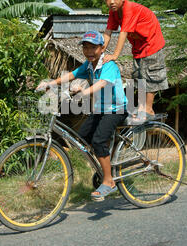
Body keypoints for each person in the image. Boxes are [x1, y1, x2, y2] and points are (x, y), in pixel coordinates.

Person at [36, 31, 128, 201]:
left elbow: (102, 83)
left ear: (102, 48)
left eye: (93, 47)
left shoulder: (108, 64)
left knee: (99, 140)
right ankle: (104, 168)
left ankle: (109, 181)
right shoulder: (88, 65)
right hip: (100, 109)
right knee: (81, 138)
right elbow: (71, 75)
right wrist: (50, 83)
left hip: (116, 109)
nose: (89, 51)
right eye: (86, 47)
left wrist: (85, 91)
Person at [102, 0, 169, 123]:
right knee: (139, 75)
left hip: (152, 43)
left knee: (150, 74)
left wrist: (115, 55)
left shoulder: (129, 9)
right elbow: (108, 32)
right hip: (139, 47)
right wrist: (100, 50)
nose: (112, 2)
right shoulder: (114, 13)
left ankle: (148, 110)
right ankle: (141, 108)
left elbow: (123, 33)